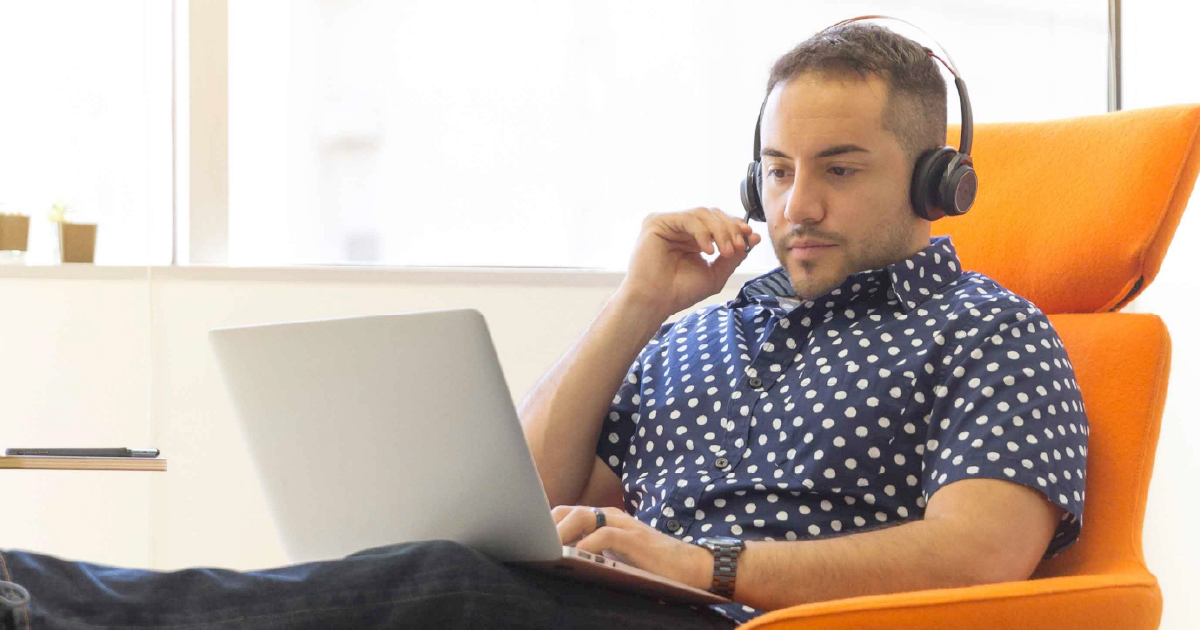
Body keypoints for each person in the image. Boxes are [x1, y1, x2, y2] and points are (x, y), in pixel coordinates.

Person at [1, 19, 1087, 630]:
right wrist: (636, 309)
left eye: (839, 171)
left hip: (747, 625)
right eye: (776, 171)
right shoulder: (701, 327)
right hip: (603, 607)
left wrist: (704, 563)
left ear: (941, 180)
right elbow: (514, 501)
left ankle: (41, 608)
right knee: (434, 567)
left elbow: (982, 553)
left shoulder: (990, 331)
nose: (795, 206)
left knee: (438, 592)